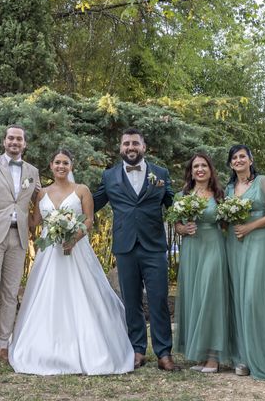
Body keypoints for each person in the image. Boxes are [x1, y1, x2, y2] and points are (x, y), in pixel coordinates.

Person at [9, 149, 134, 375]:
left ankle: (91, 348)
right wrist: (20, 200)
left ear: (71, 166)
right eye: (57, 162)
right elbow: (35, 221)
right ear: (51, 165)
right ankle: (43, 346)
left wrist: (74, 237)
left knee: (82, 294)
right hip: (49, 253)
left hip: (76, 249)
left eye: (65, 162)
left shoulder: (82, 190)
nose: (61, 166)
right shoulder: (42, 193)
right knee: (47, 295)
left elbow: (88, 220)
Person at [93, 127, 179, 371]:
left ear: (144, 147)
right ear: (120, 148)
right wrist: (65, 205)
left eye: (135, 143)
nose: (130, 147)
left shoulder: (160, 173)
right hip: (125, 246)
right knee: (131, 301)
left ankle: (164, 353)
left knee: (158, 299)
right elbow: (95, 202)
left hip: (154, 246)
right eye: (126, 144)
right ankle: (137, 350)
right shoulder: (109, 176)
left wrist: (188, 215)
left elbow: (172, 203)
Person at [0, 125, 40, 366]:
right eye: (11, 138)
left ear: (25, 144)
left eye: (19, 139)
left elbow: (38, 202)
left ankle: (4, 343)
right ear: (4, 141)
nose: (15, 142)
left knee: (11, 294)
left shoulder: (32, 171)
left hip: (19, 238)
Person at [224, 144, 265, 380]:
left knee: (253, 297)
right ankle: (242, 357)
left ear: (250, 159)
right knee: (238, 297)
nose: (238, 160)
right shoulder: (228, 188)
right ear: (230, 164)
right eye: (234, 158)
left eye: (242, 156)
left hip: (257, 240)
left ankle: (261, 357)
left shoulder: (263, 182)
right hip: (234, 243)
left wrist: (250, 226)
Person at [173, 153, 228, 373]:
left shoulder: (219, 194)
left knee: (210, 296)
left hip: (213, 246)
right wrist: (184, 229)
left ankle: (214, 357)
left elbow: (226, 224)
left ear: (210, 169)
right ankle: (201, 355)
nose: (200, 169)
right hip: (191, 248)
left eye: (204, 165)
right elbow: (176, 225)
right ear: (191, 170)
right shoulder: (182, 195)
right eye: (196, 166)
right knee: (195, 296)